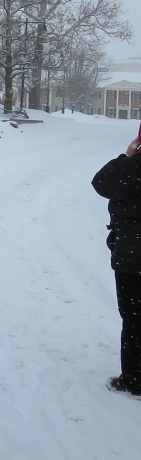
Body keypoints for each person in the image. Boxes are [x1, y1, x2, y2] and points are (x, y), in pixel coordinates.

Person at [91, 127, 141, 398]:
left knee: (135, 319)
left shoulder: (133, 168)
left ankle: (135, 380)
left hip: (134, 257)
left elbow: (101, 183)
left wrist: (127, 156)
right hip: (132, 254)